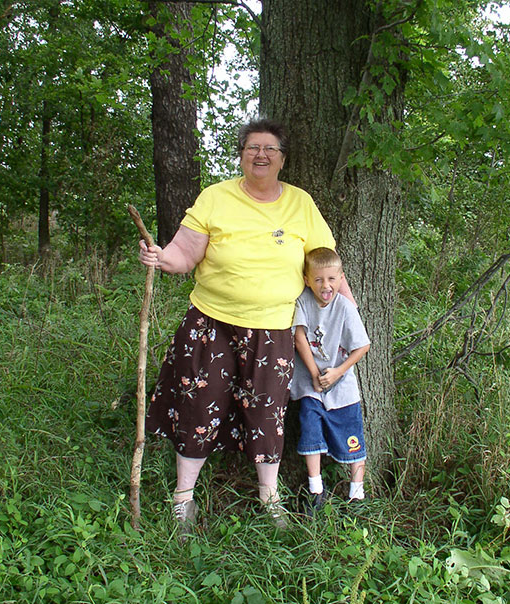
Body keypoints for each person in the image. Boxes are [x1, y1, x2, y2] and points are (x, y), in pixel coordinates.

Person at [138, 119, 353, 538]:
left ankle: (269, 498)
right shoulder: (215, 198)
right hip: (210, 321)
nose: (261, 155)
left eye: (270, 149)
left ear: (282, 159)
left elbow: (328, 262)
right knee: (199, 405)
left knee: (267, 412)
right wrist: (163, 258)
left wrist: (351, 314)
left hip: (274, 330)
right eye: (253, 147)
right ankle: (184, 499)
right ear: (241, 154)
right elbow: (185, 251)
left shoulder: (301, 204)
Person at [291, 247, 370, 512]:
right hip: (310, 383)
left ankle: (357, 494)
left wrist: (337, 372)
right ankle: (316, 490)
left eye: (332, 279)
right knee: (310, 429)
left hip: (341, 385)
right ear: (307, 280)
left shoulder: (345, 307)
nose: (326, 286)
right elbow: (299, 336)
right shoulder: (302, 301)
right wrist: (314, 373)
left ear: (341, 278)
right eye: (318, 279)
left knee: (351, 434)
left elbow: (362, 346)